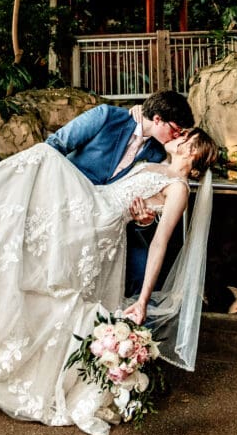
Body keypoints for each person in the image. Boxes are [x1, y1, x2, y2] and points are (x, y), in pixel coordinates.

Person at [0, 127, 218, 435]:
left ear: (192, 151)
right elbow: (133, 199)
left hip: (100, 223)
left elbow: (160, 244)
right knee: (39, 260)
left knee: (45, 162)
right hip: (94, 205)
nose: (177, 137)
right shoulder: (155, 165)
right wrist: (144, 216)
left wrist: (142, 301)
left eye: (185, 137)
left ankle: (49, 379)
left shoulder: (178, 188)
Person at [45, 91, 196, 294]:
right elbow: (54, 146)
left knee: (142, 271)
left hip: (112, 220)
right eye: (175, 130)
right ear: (158, 119)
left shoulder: (158, 152)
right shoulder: (106, 116)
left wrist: (145, 221)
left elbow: (148, 195)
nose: (176, 135)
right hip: (67, 201)